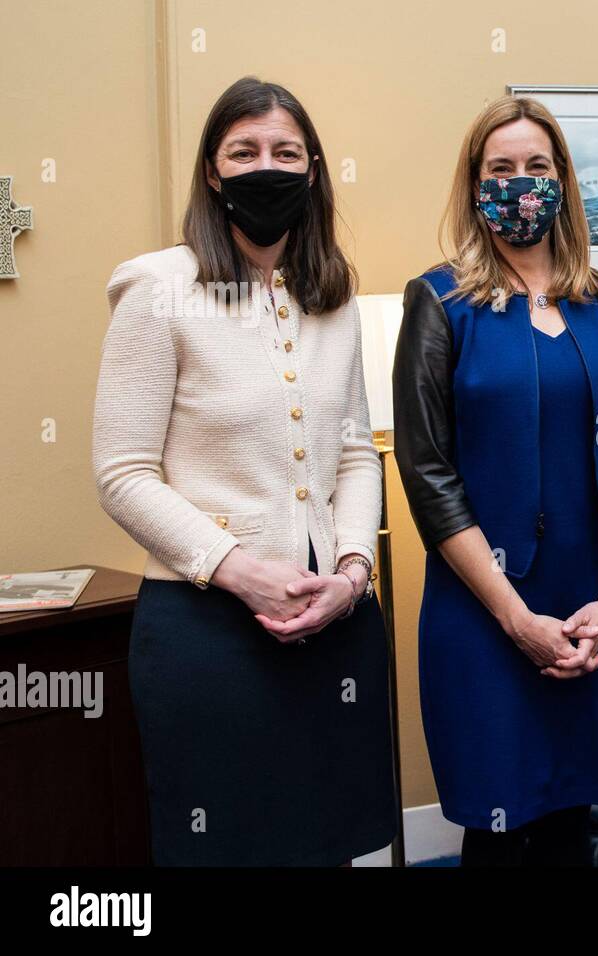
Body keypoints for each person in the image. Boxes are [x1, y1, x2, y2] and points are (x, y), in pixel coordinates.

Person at [91, 76, 397, 866]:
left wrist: (353, 572)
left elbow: (355, 451)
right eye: (245, 151)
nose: (267, 166)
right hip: (208, 634)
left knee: (329, 846)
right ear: (213, 171)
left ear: (313, 169)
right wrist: (240, 570)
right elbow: (123, 472)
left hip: (334, 626)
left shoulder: (330, 293)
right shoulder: (158, 289)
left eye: (286, 153)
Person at [392, 95, 598, 867]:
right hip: (484, 609)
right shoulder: (440, 300)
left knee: (571, 818)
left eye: (536, 166)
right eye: (500, 168)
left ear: (564, 179)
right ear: (474, 185)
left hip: (590, 608)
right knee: (500, 823)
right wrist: (516, 620)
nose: (520, 182)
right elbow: (427, 473)